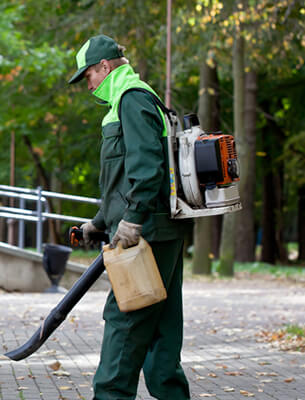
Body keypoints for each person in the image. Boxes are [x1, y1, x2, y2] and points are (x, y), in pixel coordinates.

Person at [68, 34, 193, 399]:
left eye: (87, 75)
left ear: (104, 67)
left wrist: (133, 219)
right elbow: (120, 179)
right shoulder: (131, 99)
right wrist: (99, 222)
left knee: (126, 321)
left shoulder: (131, 98)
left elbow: (146, 165)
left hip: (146, 234)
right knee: (162, 327)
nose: (87, 84)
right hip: (158, 230)